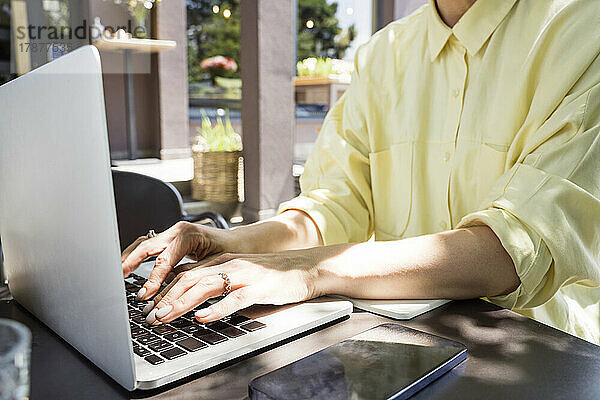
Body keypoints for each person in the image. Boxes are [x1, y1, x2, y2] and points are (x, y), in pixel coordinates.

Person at [123, 0, 600, 344]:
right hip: (398, 347)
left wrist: (309, 270)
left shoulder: (584, 28)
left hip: (541, 358)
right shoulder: (383, 53)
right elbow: (334, 205)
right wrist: (231, 243)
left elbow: (516, 246)